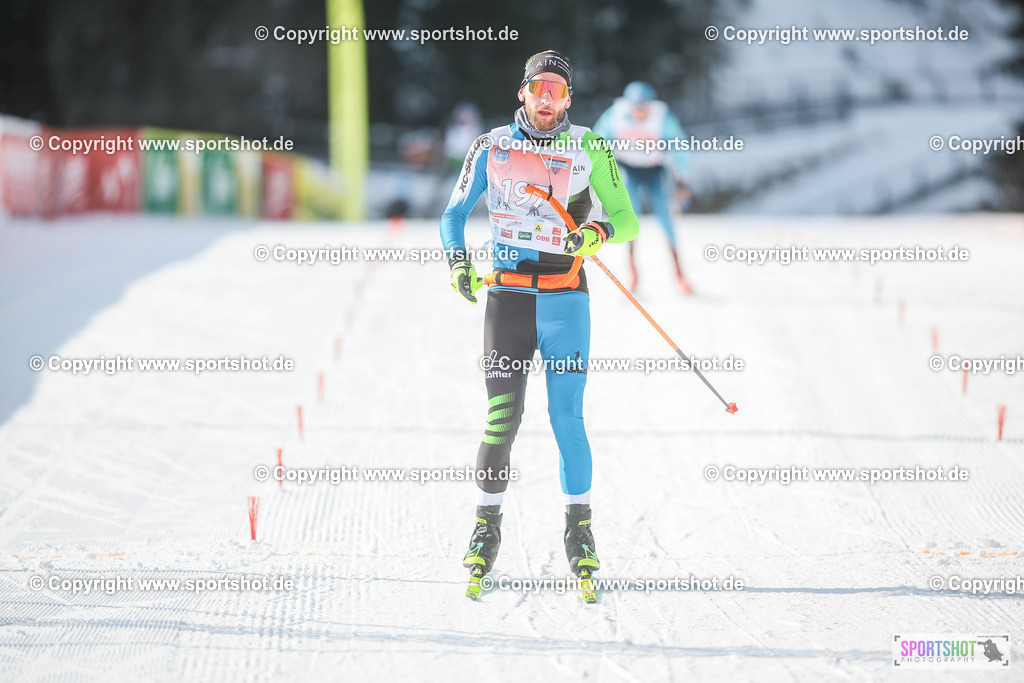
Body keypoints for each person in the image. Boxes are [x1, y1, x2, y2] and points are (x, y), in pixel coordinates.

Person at [439, 50, 639, 600]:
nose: (546, 99)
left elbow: (627, 219)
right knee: (501, 420)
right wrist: (458, 260)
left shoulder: (590, 146)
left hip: (565, 300)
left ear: (569, 98)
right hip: (507, 298)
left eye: (557, 90)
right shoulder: (491, 146)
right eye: (537, 88)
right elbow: (453, 214)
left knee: (566, 420)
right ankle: (487, 526)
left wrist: (596, 233)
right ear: (521, 92)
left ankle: (580, 531)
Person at [593, 81, 692, 293]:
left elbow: (680, 144)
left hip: (654, 170)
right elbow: (597, 142)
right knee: (629, 216)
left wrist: (682, 179)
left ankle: (679, 273)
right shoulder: (615, 114)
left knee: (665, 217)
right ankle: (633, 273)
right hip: (629, 170)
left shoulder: (661, 116)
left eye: (644, 108)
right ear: (628, 105)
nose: (640, 113)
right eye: (636, 108)